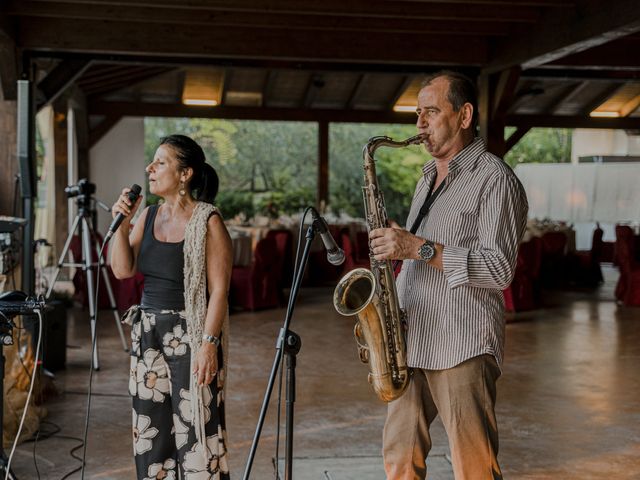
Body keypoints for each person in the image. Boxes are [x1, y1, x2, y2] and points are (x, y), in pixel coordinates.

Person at [369, 71, 528, 479]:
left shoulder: (495, 179)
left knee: (473, 465)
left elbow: (499, 269)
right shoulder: (426, 179)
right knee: (399, 458)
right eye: (418, 113)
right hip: (413, 338)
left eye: (432, 112)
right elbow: (417, 254)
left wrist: (418, 247)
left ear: (464, 115)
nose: (419, 123)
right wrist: (395, 258)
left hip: (463, 342)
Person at [110, 134, 233, 479]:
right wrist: (122, 222)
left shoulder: (208, 221)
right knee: (152, 430)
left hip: (192, 334)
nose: (150, 168)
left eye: (160, 162)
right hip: (148, 332)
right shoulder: (147, 215)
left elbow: (220, 291)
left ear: (185, 174)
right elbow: (122, 270)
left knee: (198, 429)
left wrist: (208, 345)